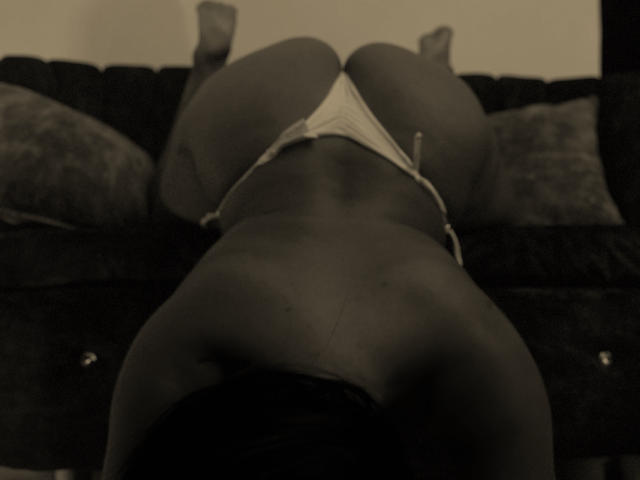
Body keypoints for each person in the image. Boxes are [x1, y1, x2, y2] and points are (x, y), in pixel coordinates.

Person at [102, 2, 555, 479]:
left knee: (165, 209)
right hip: (269, 114)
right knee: (172, 202)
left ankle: (437, 71)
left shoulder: (474, 339)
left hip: (421, 121)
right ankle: (210, 67)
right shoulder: (193, 330)